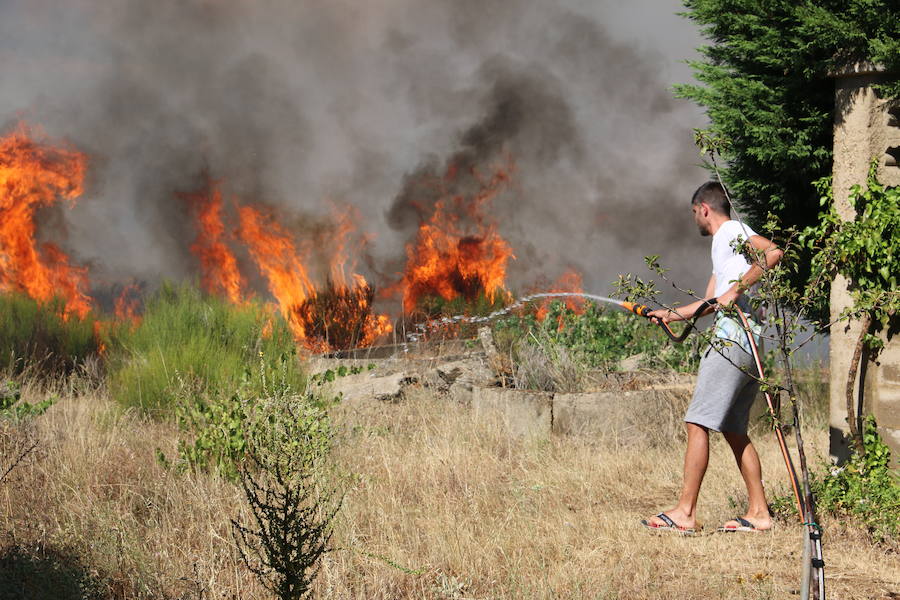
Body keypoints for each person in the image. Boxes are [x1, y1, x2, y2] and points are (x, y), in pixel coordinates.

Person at [641, 181, 783, 534]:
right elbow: (709, 304)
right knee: (734, 430)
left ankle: (685, 513)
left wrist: (737, 288)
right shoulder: (724, 253)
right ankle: (759, 514)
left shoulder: (732, 230)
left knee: (697, 422)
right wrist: (670, 315)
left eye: (694, 214)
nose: (695, 221)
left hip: (733, 341)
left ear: (704, 208)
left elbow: (774, 253)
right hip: (747, 344)